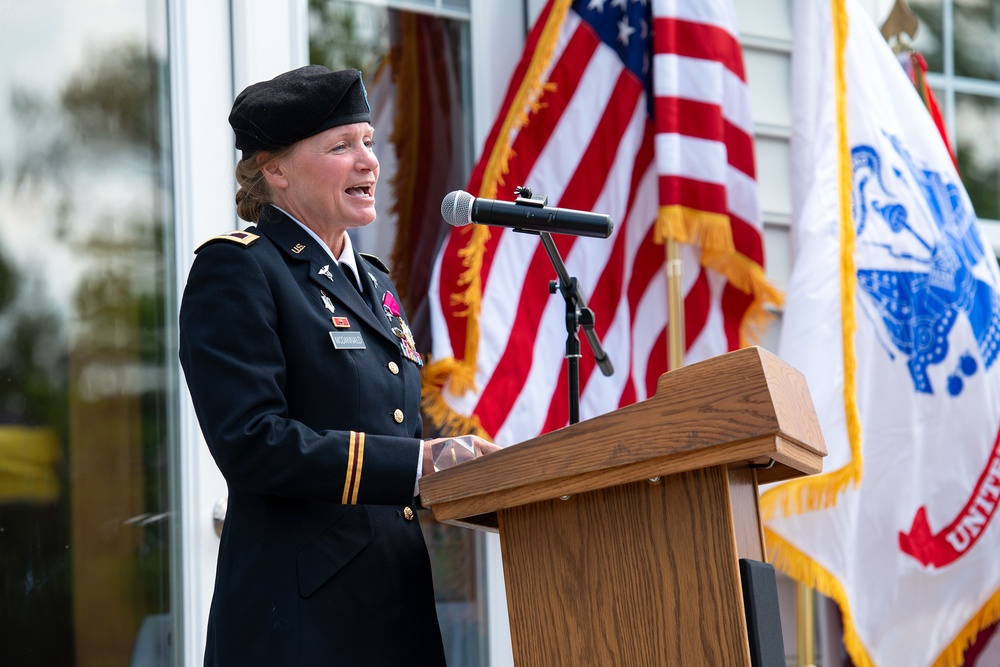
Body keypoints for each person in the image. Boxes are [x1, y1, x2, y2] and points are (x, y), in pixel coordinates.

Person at [178, 65, 498, 667]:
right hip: (301, 625)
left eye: (369, 144)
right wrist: (418, 461)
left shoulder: (372, 282)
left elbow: (395, 432)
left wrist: (473, 474)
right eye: (341, 146)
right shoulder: (239, 270)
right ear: (275, 170)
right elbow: (252, 442)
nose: (369, 162)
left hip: (393, 609)